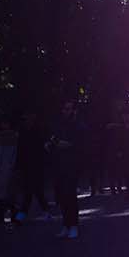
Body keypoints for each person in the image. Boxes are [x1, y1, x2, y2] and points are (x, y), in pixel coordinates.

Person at [49, 98, 86, 239]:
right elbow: (53, 139)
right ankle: (66, 224)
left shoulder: (78, 125)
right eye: (65, 108)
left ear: (74, 110)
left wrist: (70, 145)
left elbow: (82, 144)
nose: (66, 111)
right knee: (62, 196)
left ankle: (74, 225)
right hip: (59, 164)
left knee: (70, 195)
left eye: (69, 108)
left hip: (72, 164)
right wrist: (50, 144)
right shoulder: (58, 125)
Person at [15, 110, 51, 222]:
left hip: (37, 164)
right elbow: (20, 149)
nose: (28, 120)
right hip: (27, 164)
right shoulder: (23, 131)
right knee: (28, 190)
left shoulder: (38, 130)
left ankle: (42, 211)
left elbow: (43, 147)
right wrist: (19, 164)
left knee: (37, 190)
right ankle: (23, 213)